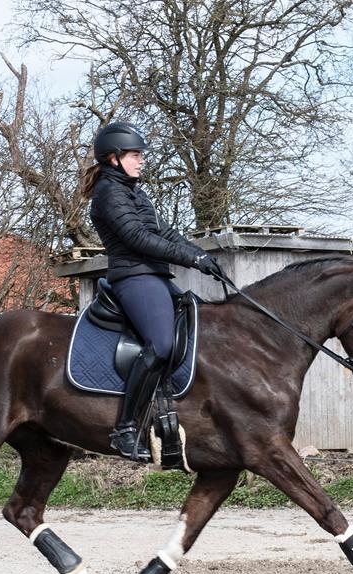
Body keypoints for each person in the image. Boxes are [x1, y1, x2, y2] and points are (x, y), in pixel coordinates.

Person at [81, 122, 224, 461]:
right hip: (133, 277)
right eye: (135, 155)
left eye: (141, 154)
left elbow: (164, 231)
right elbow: (137, 239)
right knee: (160, 345)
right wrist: (191, 259)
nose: (141, 160)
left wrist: (202, 254)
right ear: (114, 159)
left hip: (153, 275)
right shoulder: (109, 193)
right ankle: (125, 429)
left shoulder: (133, 191)